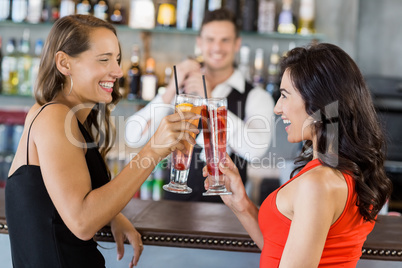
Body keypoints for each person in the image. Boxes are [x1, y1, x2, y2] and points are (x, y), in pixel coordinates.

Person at [5, 15, 199, 268]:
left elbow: (57, 202)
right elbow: (83, 223)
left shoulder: (54, 114)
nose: (117, 71)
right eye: (104, 60)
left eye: (117, 59)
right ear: (64, 63)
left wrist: (111, 214)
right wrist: (151, 151)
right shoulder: (54, 116)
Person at [209, 43, 393, 267]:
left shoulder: (318, 183)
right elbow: (280, 248)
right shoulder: (338, 171)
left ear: (318, 102)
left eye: (285, 96)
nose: (278, 108)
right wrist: (242, 205)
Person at [126, 8, 274, 202]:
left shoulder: (257, 96)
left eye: (225, 40)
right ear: (199, 43)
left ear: (237, 44)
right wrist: (171, 88)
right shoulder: (183, 90)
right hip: (172, 205)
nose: (217, 47)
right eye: (210, 39)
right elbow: (134, 137)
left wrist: (209, 100)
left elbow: (255, 151)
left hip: (227, 209)